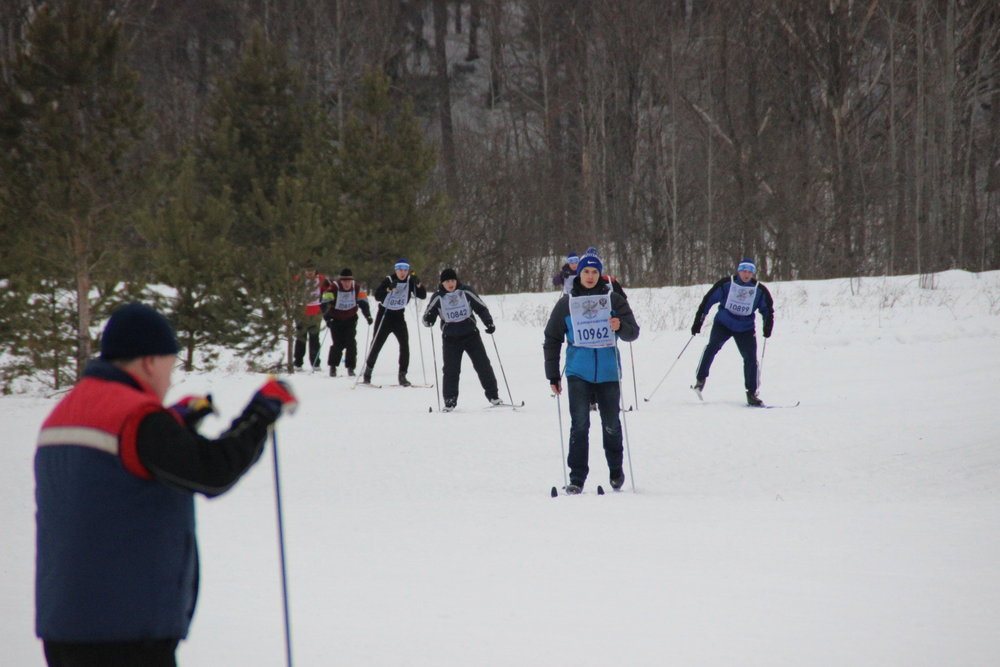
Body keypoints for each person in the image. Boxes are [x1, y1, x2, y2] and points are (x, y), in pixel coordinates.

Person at [34, 302, 297, 666]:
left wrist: (174, 423)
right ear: (149, 362)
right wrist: (259, 415)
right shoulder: (137, 417)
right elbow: (212, 471)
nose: (170, 380)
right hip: (125, 632)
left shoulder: (65, 413)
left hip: (64, 625)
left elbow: (111, 476)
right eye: (171, 367)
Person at [543, 254, 640, 494]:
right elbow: (552, 338)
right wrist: (553, 375)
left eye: (594, 272)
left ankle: (616, 472)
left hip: (608, 372)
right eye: (586, 272)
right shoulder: (567, 302)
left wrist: (620, 326)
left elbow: (633, 333)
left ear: (601, 275)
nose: (590, 276)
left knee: (611, 424)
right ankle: (576, 478)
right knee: (579, 425)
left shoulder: (613, 299)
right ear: (579, 274)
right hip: (578, 371)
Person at [690, 258, 774, 406]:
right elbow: (708, 300)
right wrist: (699, 320)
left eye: (750, 272)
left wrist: (768, 325)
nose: (747, 275)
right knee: (712, 347)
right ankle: (700, 380)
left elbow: (767, 309)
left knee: (750, 358)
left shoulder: (759, 290)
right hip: (723, 323)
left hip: (745, 328)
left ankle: (752, 393)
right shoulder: (727, 284)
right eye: (744, 271)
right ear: (739, 271)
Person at [422, 268, 501, 411]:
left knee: (483, 365)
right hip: (450, 339)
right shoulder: (438, 297)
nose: (450, 283)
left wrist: (488, 322)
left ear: (456, 280)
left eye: (452, 280)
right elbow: (428, 314)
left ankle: (493, 395)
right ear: (442, 283)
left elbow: (481, 307)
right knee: (451, 370)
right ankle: (450, 400)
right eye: (447, 281)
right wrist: (429, 320)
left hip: (471, 336)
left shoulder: (466, 292)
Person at [361, 258, 427, 386]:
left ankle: (402, 375)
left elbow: (422, 295)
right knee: (376, 344)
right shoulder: (389, 280)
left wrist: (418, 284)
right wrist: (388, 289)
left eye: (405, 270)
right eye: (400, 270)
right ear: (396, 270)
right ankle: (367, 373)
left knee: (404, 345)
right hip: (385, 315)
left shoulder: (409, 280)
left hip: (399, 316)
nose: (403, 273)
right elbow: (377, 296)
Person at [321, 268, 372, 377]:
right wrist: (327, 318)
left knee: (351, 343)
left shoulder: (357, 288)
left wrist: (368, 316)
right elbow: (325, 303)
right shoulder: (334, 288)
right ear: (341, 281)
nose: (347, 284)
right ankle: (333, 367)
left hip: (350, 319)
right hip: (336, 319)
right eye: (344, 281)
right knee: (338, 344)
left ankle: (350, 367)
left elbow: (363, 302)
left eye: (349, 281)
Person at [294, 262, 327, 370]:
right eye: (308, 271)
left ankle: (316, 363)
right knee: (301, 338)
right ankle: (298, 363)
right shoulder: (298, 279)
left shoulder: (321, 279)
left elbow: (328, 290)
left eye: (312, 271)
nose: (310, 273)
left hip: (315, 312)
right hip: (301, 312)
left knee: (314, 339)